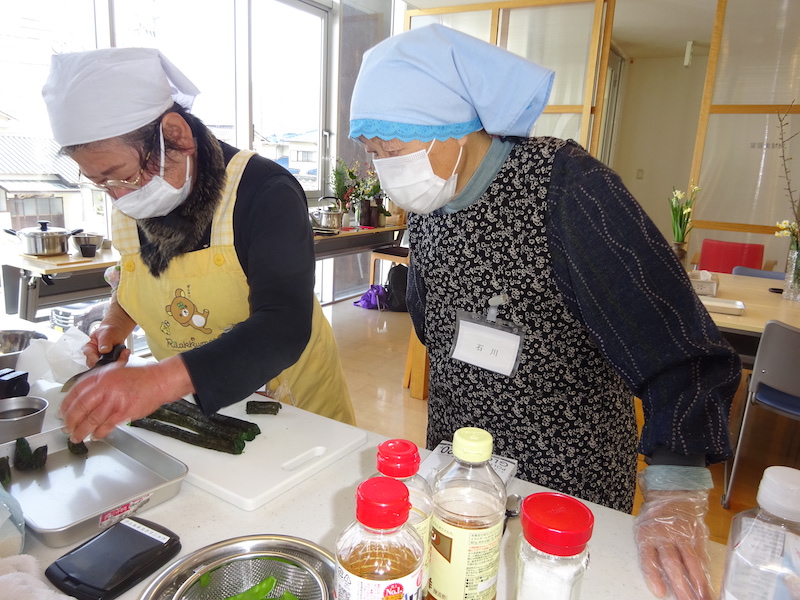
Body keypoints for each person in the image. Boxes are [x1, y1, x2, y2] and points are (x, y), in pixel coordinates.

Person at [349, 24, 741, 600]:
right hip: (463, 467)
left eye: (395, 149)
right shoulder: (431, 201)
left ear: (453, 128)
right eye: (374, 154)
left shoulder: (565, 186)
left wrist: (675, 488)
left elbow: (672, 337)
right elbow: (434, 323)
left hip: (566, 476)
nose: (386, 169)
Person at [42, 47, 355, 443]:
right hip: (194, 412)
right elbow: (136, 279)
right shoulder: (134, 198)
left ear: (176, 135)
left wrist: (156, 381)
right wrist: (114, 325)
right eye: (102, 184)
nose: (118, 197)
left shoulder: (265, 191)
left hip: (293, 408)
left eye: (122, 175)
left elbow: (283, 325)